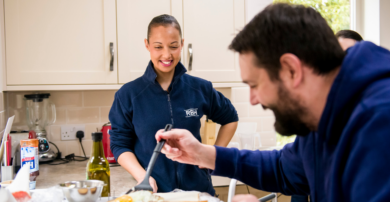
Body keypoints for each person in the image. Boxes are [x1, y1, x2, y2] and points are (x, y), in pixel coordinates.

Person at [155, 3, 390, 202]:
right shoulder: (319, 115)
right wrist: (201, 153)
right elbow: (283, 169)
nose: (253, 99)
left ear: (291, 69)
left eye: (255, 85)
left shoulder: (380, 121)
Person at [109, 14, 238, 195]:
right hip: (153, 194)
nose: (167, 55)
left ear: (182, 44)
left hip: (199, 193)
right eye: (158, 47)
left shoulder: (200, 88)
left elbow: (230, 118)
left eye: (173, 46)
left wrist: (212, 157)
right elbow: (119, 145)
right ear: (147, 45)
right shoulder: (128, 95)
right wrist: (143, 177)